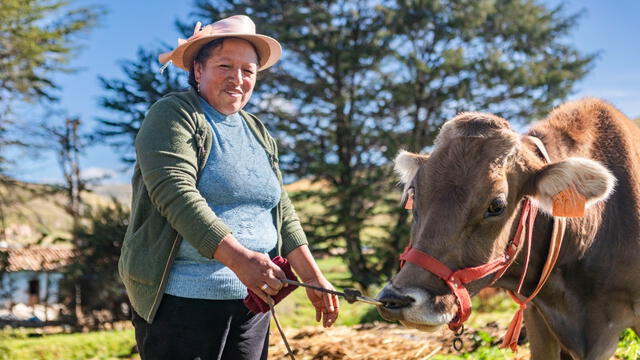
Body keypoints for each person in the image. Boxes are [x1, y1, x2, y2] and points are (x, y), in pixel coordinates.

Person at [118, 15, 340, 360]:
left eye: (248, 71)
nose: (238, 79)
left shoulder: (257, 131)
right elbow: (176, 194)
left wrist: (314, 278)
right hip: (182, 305)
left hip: (251, 304)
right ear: (197, 71)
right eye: (225, 66)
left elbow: (279, 207)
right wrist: (239, 259)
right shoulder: (174, 114)